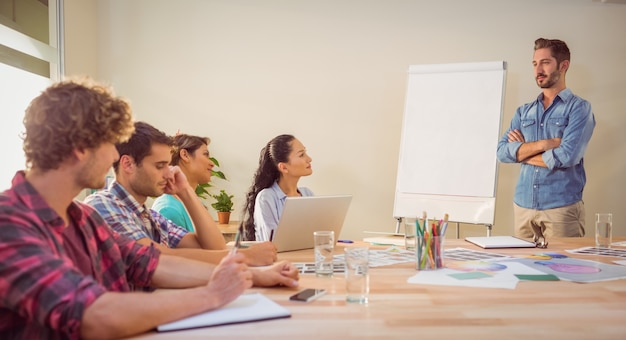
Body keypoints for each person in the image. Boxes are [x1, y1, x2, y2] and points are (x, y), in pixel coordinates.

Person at [0, 78, 298, 339]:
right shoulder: (8, 225)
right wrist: (211, 294)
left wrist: (253, 276)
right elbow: (94, 315)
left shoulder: (83, 218)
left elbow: (150, 263)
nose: (114, 156)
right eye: (111, 144)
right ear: (81, 147)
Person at [85, 122, 278, 267]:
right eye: (160, 166)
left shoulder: (150, 217)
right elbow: (153, 257)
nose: (169, 173)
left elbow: (215, 247)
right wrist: (243, 257)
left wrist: (185, 191)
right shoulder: (103, 205)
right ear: (127, 164)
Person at [496, 38, 595, 240]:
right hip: (523, 206)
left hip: (561, 208)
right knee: (524, 269)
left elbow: (567, 156)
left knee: (564, 269)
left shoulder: (579, 108)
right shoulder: (524, 112)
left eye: (545, 62)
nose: (538, 69)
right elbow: (502, 152)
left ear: (563, 65)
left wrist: (522, 153)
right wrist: (544, 145)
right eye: (535, 63)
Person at [241, 134, 313, 241]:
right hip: (279, 258)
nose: (309, 159)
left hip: (306, 256)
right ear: (283, 167)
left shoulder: (307, 194)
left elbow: (318, 236)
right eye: (301, 155)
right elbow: (273, 242)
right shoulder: (266, 197)